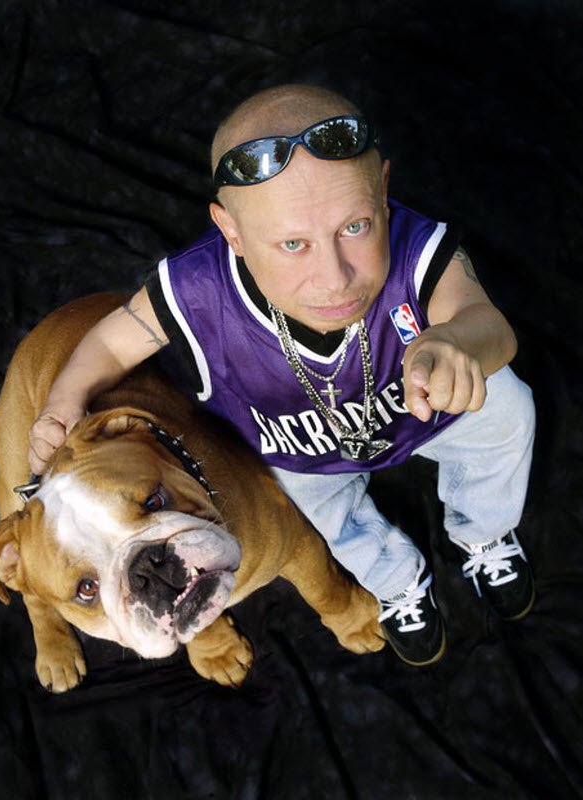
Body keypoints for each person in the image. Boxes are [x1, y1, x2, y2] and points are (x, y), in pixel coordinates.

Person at [27, 84, 535, 667]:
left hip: (428, 412)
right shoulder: (197, 287)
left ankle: (484, 533)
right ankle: (395, 582)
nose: (334, 276)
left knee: (507, 405)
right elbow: (111, 341)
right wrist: (64, 398)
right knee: (321, 512)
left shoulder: (419, 249)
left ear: (384, 193)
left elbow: (488, 323)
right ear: (232, 233)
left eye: (355, 227)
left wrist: (455, 342)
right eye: (293, 244)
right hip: (305, 454)